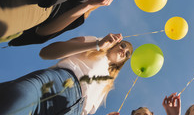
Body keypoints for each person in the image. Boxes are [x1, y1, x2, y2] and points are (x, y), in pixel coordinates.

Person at [0, 33, 133, 115]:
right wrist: (97, 44)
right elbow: (47, 52)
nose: (124, 51)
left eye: (127, 54)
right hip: (58, 82)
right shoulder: (95, 42)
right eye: (123, 45)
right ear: (116, 43)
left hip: (74, 110)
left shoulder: (108, 83)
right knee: (15, 103)